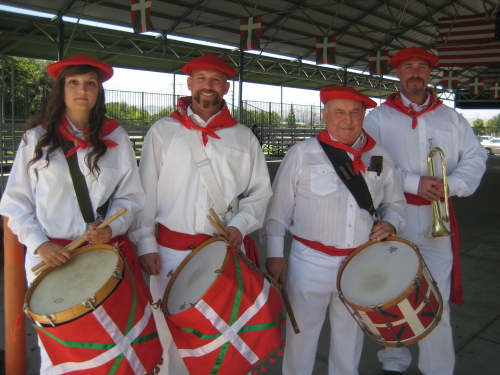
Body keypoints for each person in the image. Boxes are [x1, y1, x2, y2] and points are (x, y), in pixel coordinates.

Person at [0, 55, 149, 374]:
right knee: (60, 354)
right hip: (49, 260)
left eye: (90, 83)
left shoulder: (116, 138)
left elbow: (132, 197)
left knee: (110, 349)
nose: (82, 90)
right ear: (62, 89)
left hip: (102, 258)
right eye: (74, 82)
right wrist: (40, 244)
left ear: (99, 92)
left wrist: (113, 228)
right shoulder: (37, 138)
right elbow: (15, 203)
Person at [129, 54, 272, 375]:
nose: (209, 86)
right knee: (169, 335)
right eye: (202, 78)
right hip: (168, 253)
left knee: (220, 333)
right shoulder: (163, 131)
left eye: (216, 80)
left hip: (222, 254)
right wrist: (146, 243)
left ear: (226, 88)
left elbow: (260, 192)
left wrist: (240, 224)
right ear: (190, 83)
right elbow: (145, 191)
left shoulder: (244, 137)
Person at [260, 86, 406, 375]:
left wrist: (393, 222)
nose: (347, 120)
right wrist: (274, 254)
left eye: (355, 112)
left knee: (349, 340)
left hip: (360, 263)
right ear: (324, 115)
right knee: (300, 338)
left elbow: (395, 202)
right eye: (339, 112)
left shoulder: (378, 155)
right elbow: (278, 211)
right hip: (310, 262)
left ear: (364, 116)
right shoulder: (302, 154)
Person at [364, 46, 487, 375]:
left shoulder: (451, 118)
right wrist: (412, 182)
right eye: (408, 67)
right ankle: (393, 362)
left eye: (421, 67)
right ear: (398, 73)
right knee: (390, 294)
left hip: (438, 219)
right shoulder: (377, 117)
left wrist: (453, 184)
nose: (415, 73)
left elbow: (476, 157)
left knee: (437, 298)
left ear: (429, 74)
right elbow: (370, 163)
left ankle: (438, 368)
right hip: (394, 216)